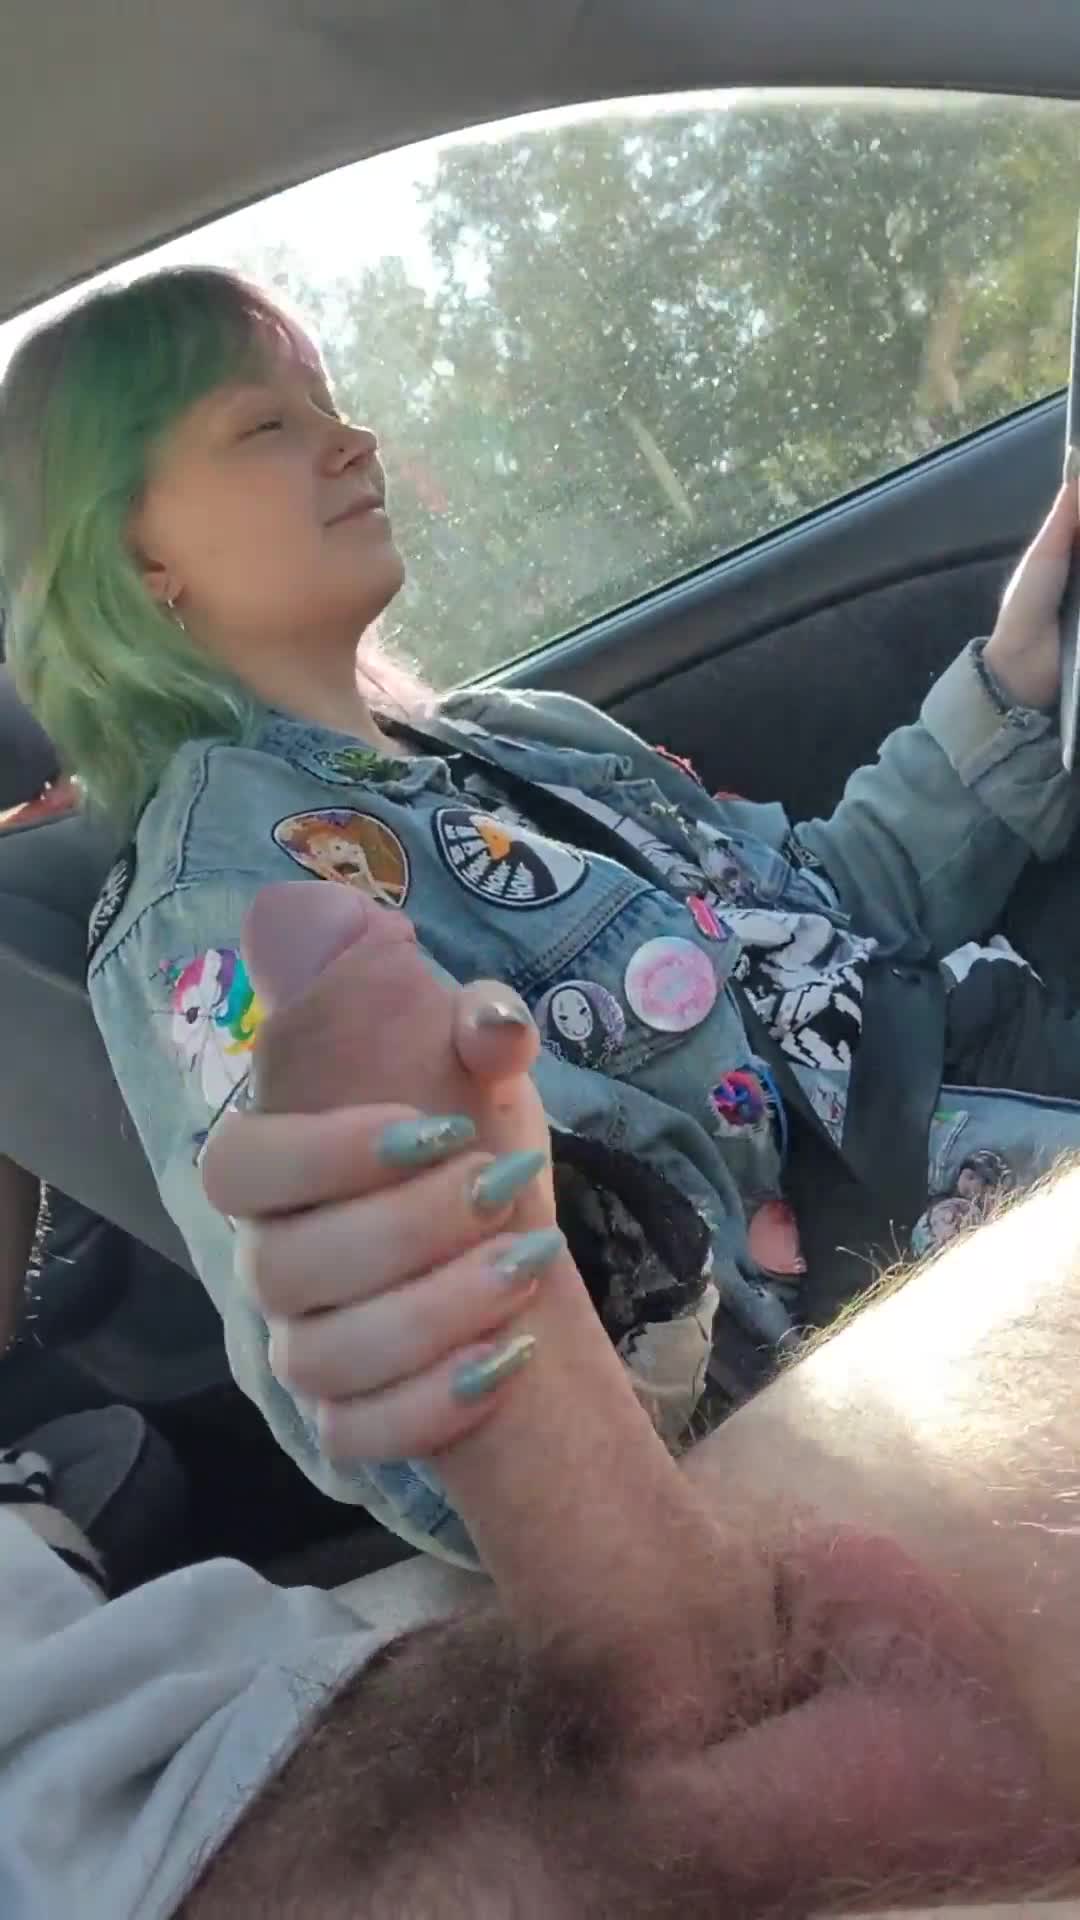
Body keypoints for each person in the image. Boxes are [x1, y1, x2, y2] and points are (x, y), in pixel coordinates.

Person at [4, 264, 1080, 1565]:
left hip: (988, 1069)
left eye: (329, 401)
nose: (353, 439)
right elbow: (477, 1370)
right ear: (136, 552)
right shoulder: (220, 910)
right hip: (913, 1325)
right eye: (267, 423)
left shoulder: (522, 739)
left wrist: (1013, 685)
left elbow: (809, 916)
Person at [6, 880, 1080, 1918]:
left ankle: (647, 1632)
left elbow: (809, 880)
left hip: (907, 1052)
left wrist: (983, 746)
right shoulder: (198, 891)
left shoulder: (549, 758)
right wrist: (578, 1252)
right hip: (818, 1224)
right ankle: (645, 1638)